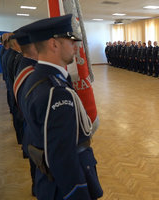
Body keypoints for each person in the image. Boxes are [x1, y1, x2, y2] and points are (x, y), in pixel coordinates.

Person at [17, 14, 103, 199]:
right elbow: (62, 158)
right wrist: (78, 194)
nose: (76, 46)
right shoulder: (56, 92)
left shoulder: (37, 77)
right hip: (63, 188)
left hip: (48, 181)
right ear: (54, 44)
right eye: (70, 41)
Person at [12, 26, 39, 196]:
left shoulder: (25, 66)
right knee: (38, 171)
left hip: (30, 130)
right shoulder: (31, 72)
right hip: (34, 133)